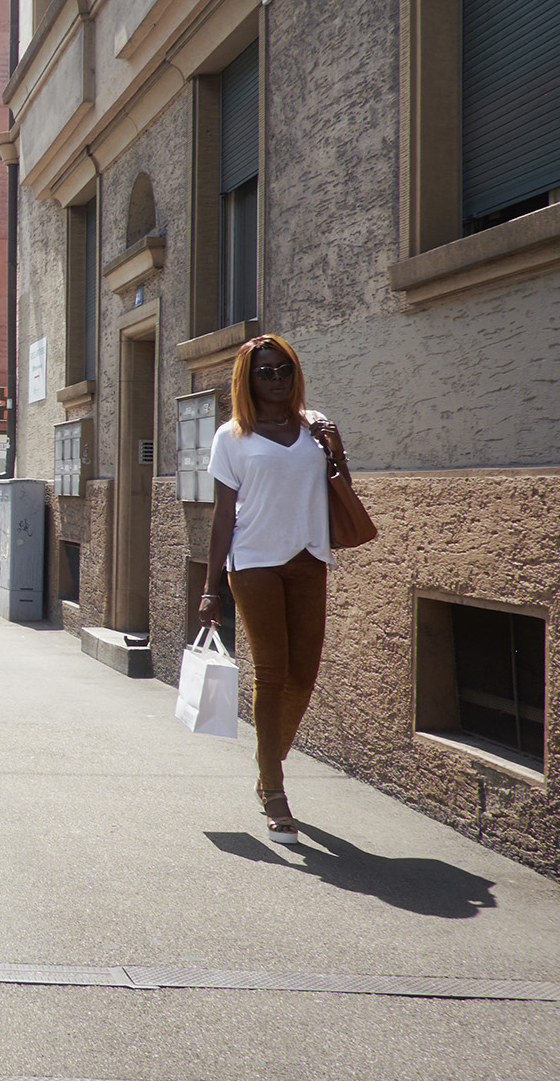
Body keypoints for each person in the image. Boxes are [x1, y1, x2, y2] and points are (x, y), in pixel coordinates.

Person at [198, 334, 351, 846]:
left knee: (303, 675)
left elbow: (339, 489)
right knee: (272, 672)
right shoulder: (232, 436)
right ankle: (276, 791)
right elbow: (223, 514)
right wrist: (210, 587)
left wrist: (334, 448)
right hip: (255, 562)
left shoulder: (316, 426)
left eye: (284, 369)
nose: (277, 379)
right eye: (265, 371)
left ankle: (266, 767)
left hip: (309, 557)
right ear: (247, 377)